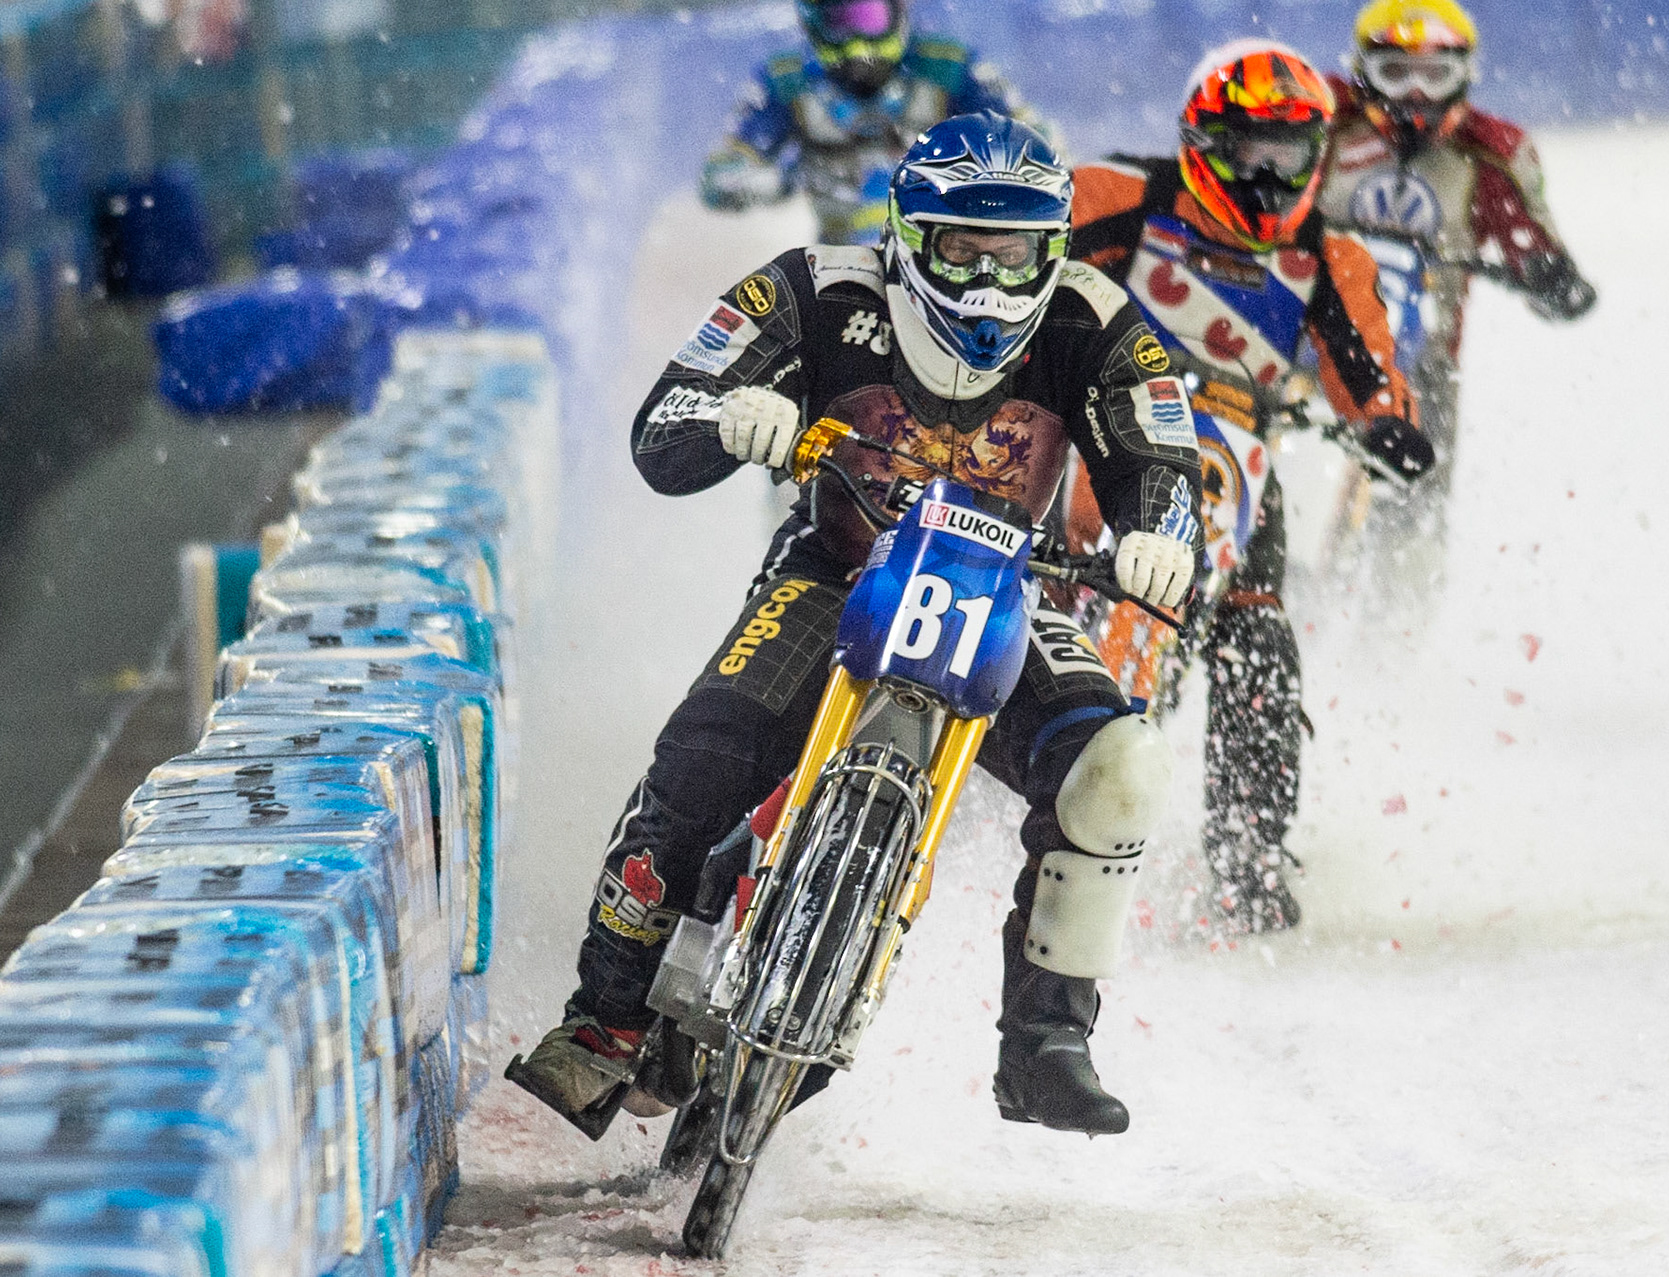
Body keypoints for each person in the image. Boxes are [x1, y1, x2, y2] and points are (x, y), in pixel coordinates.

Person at [510, 113, 1208, 1138]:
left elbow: (1161, 449)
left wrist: (1160, 531)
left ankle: (1047, 1040)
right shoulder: (814, 286)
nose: (986, 276)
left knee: (1119, 769)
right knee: (702, 759)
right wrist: (730, 419)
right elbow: (664, 420)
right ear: (908, 234)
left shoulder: (1098, 320)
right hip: (835, 568)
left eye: (1013, 250)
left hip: (1008, 587)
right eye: (962, 246)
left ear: (1053, 249)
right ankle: (604, 1020)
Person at [1065, 40, 1432, 933]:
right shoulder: (1119, 199)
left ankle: (1250, 858)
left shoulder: (1331, 259)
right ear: (1201, 139)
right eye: (1247, 149)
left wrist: (1389, 421)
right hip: (1089, 426)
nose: (1268, 174)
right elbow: (1002, 268)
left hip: (1237, 452)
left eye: (1290, 152)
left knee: (1261, 638)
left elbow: (1371, 371)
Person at [1316, 0, 1596, 582]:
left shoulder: (1493, 154)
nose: (1415, 96)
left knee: (1417, 512)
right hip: (1297, 330)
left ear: (1465, 75)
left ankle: (1394, 635)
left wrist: (1549, 276)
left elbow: (1542, 256)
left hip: (1425, 360)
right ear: (1362, 70)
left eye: (1434, 75)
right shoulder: (1316, 118)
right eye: (1396, 72)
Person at [700, 0, 1049, 245]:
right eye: (841, 22)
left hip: (945, 248)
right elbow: (721, 174)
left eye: (866, 16)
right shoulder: (785, 80)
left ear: (898, 11)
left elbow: (1040, 147)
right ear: (812, 23)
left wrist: (979, 175)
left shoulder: (950, 67)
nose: (857, 43)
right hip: (836, 261)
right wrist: (769, 181)